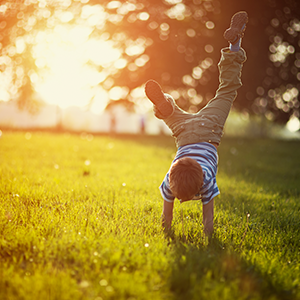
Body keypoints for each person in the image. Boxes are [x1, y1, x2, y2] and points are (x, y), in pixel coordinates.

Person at [144, 11, 248, 237]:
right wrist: (205, 237)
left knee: (227, 91)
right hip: (184, 133)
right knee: (176, 113)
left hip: (209, 129)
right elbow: (203, 221)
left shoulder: (204, 180)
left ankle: (235, 45)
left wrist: (168, 234)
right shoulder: (170, 180)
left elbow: (171, 218)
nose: (182, 200)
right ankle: (166, 108)